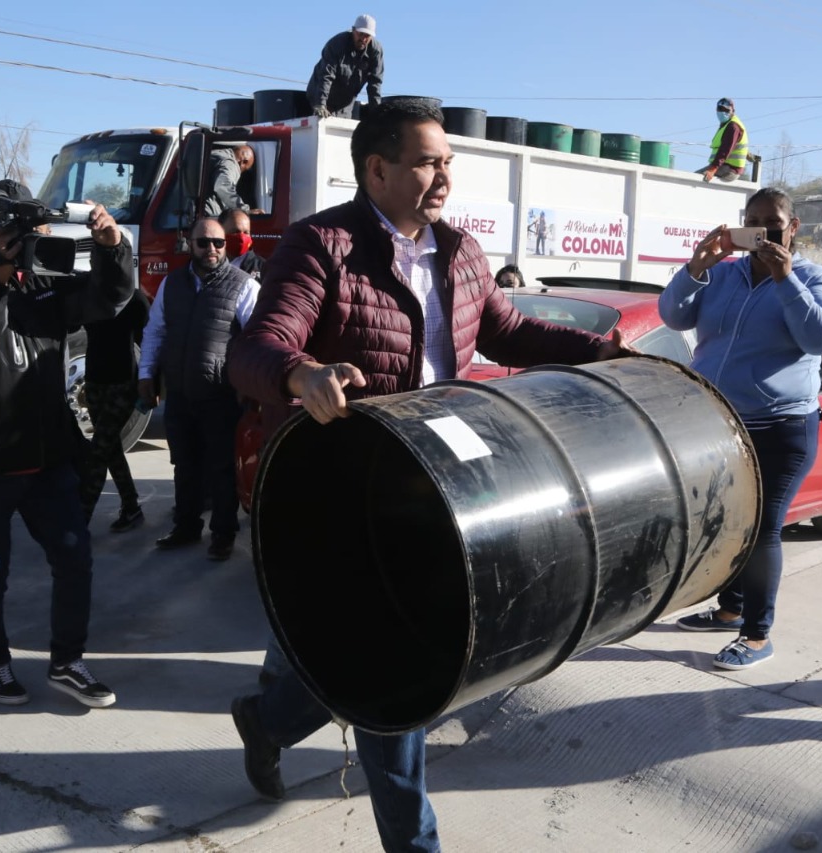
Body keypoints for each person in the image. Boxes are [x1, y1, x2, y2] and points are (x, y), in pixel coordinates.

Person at [226, 98, 628, 852]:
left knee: (359, 657)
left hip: (441, 489)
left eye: (447, 162)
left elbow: (508, 330)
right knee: (396, 672)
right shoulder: (323, 245)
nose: (444, 176)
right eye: (426, 162)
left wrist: (596, 352)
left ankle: (268, 719)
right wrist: (302, 374)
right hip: (348, 493)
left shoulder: (461, 251)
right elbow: (254, 349)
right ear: (377, 169)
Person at [0, 179, 133, 708]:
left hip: (47, 458)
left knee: (74, 558)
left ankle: (68, 661)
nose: (18, 236)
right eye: (4, 224)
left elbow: (109, 299)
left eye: (29, 224)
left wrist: (113, 248)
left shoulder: (47, 282)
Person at [658, 187, 822, 670]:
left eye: (774, 223)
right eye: (753, 220)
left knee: (762, 529)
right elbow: (673, 316)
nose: (763, 231)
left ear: (793, 227)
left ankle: (758, 635)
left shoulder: (813, 279)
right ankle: (731, 609)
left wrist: (785, 280)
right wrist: (696, 269)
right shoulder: (722, 275)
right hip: (720, 423)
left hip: (782, 428)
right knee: (727, 522)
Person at [137, 217, 260, 562]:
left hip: (221, 396)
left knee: (221, 468)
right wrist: (146, 374)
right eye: (203, 242)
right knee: (185, 464)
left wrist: (250, 386)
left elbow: (258, 339)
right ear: (189, 244)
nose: (212, 249)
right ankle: (186, 526)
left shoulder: (243, 285)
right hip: (180, 393)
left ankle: (222, 534)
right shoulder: (172, 284)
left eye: (218, 242)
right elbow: (155, 331)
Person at [77, 288, 149, 532]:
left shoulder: (133, 298)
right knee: (110, 448)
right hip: (94, 382)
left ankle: (80, 520)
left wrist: (149, 382)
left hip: (123, 384)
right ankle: (131, 506)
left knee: (99, 451)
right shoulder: (88, 292)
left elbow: (149, 341)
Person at [306, 14, 384, 119]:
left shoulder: (375, 51)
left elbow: (375, 84)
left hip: (345, 103)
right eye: (360, 34)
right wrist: (321, 104)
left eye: (367, 36)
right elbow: (326, 76)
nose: (363, 39)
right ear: (353, 30)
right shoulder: (337, 44)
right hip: (320, 95)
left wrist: (376, 115)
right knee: (322, 122)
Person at [699, 97, 749, 183]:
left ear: (732, 111)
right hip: (725, 166)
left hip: (730, 169)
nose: (722, 112)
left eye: (726, 110)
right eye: (720, 109)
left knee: (696, 177)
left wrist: (713, 169)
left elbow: (725, 149)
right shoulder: (726, 124)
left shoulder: (733, 126)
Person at [203, 145, 259, 218]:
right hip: (206, 215)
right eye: (244, 170)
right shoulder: (231, 164)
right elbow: (222, 186)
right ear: (244, 162)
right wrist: (244, 210)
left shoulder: (215, 154)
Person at [220, 208, 265, 280]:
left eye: (246, 232)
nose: (242, 237)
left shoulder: (263, 268)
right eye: (235, 232)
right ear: (220, 232)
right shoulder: (209, 264)